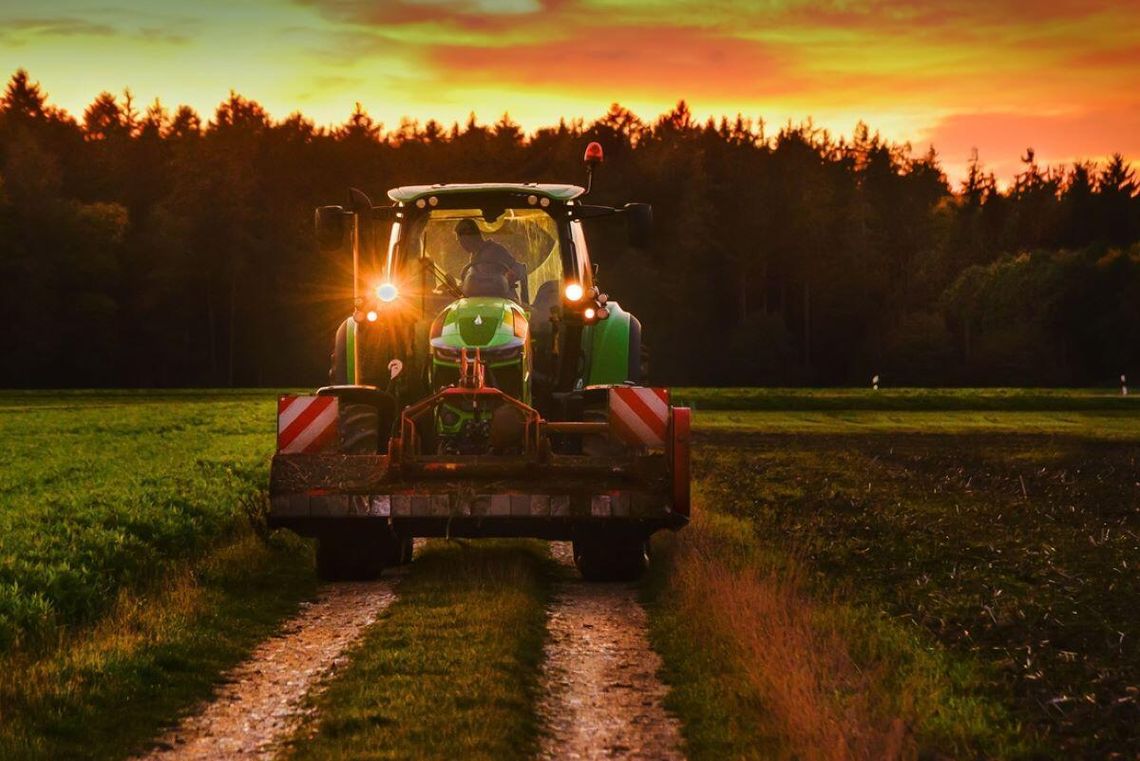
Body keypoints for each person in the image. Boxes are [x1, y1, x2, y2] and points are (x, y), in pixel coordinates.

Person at [454, 219, 526, 300]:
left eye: (461, 241)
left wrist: (512, 274)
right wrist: (457, 287)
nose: (461, 245)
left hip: (504, 301)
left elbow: (520, 268)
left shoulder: (495, 250)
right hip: (480, 302)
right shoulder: (473, 258)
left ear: (470, 237)